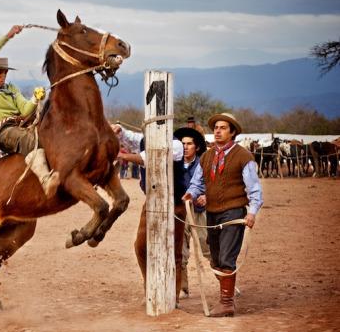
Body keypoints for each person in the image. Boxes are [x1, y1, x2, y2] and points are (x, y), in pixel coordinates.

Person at [183, 112, 263, 317]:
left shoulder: (244, 156)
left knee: (227, 257)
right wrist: (191, 193)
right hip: (212, 214)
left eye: (223, 128)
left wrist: (252, 212)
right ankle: (227, 295)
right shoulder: (207, 156)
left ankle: (226, 304)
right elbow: (198, 182)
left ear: (233, 132)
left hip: (234, 212)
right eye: (216, 127)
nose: (217, 131)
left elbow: (254, 189)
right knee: (216, 259)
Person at [0, 24, 59, 197]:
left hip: (23, 123)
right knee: (29, 139)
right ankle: (46, 180)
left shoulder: (12, 88)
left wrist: (34, 98)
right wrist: (7, 36)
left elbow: (26, 110)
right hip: (5, 132)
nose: (3, 76)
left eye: (4, 72)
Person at [112, 124, 187, 306]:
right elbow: (133, 138)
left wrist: (122, 155)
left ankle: (173, 297)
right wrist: (120, 131)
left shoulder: (175, 145)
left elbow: (152, 157)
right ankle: (150, 286)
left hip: (174, 203)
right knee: (141, 246)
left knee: (174, 252)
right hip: (152, 200)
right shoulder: (146, 140)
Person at [173, 127, 208, 298]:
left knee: (208, 246)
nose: (185, 147)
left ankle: (226, 281)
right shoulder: (174, 164)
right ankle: (182, 287)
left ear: (197, 147)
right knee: (180, 250)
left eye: (189, 144)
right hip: (180, 213)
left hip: (199, 211)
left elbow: (214, 184)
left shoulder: (204, 163)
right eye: (182, 144)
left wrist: (206, 196)